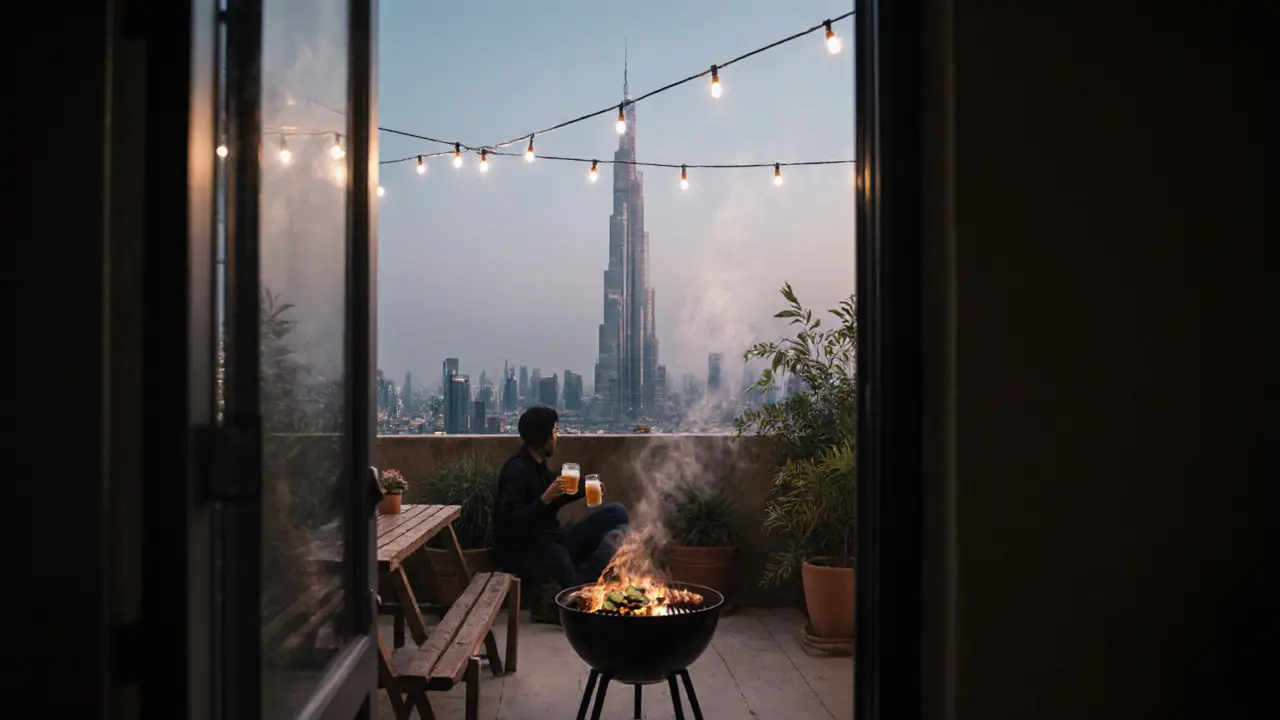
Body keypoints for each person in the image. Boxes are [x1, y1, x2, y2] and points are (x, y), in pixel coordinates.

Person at [494, 405, 629, 623]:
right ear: (544, 438)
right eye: (555, 432)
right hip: (532, 551)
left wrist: (585, 487)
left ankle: (579, 573)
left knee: (616, 513)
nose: (558, 437)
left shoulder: (538, 465)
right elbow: (510, 524)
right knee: (576, 595)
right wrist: (544, 500)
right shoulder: (516, 471)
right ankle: (570, 587)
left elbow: (560, 491)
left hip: (554, 537)